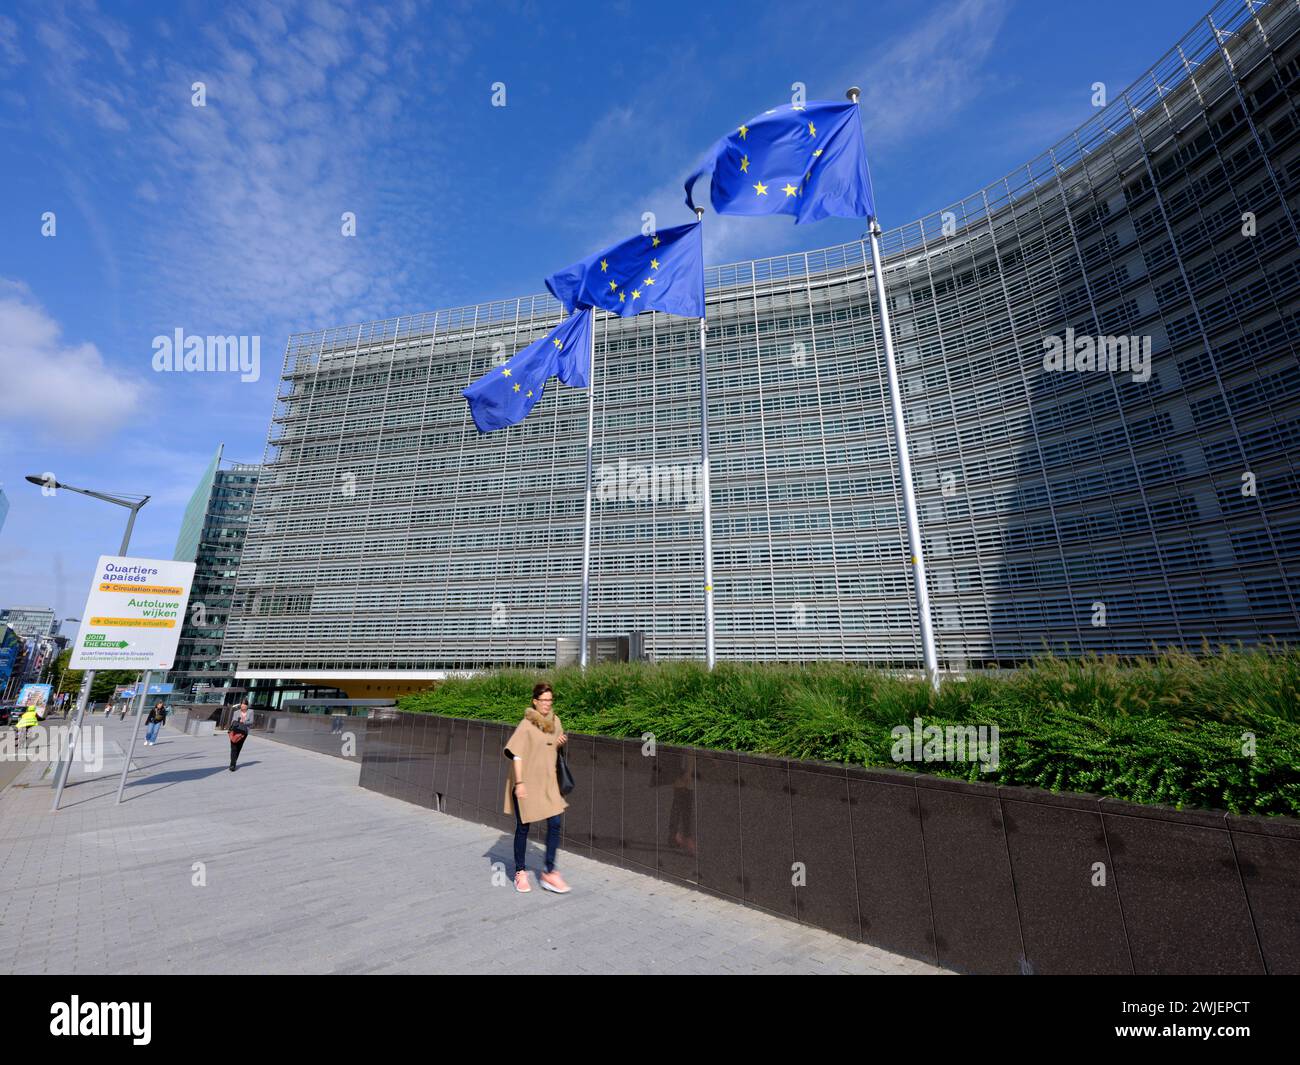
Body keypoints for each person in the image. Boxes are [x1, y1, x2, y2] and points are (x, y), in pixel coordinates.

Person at [502, 682, 571, 894]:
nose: (547, 705)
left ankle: (549, 872)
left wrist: (559, 743)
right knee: (523, 827)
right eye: (543, 700)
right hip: (527, 782)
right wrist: (519, 784)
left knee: (556, 822)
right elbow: (517, 755)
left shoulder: (555, 721)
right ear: (535, 701)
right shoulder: (526, 725)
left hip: (548, 783)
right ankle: (520, 871)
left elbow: (550, 746)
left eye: (550, 700)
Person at [228, 701, 252, 771]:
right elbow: (233, 721)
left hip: (244, 732)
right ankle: (232, 764)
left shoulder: (251, 712)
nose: (243, 706)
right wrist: (238, 722)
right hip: (235, 731)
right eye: (242, 704)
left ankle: (234, 761)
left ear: (247, 705)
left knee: (239, 747)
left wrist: (244, 721)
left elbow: (251, 722)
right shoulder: (236, 712)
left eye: (244, 704)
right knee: (233, 747)